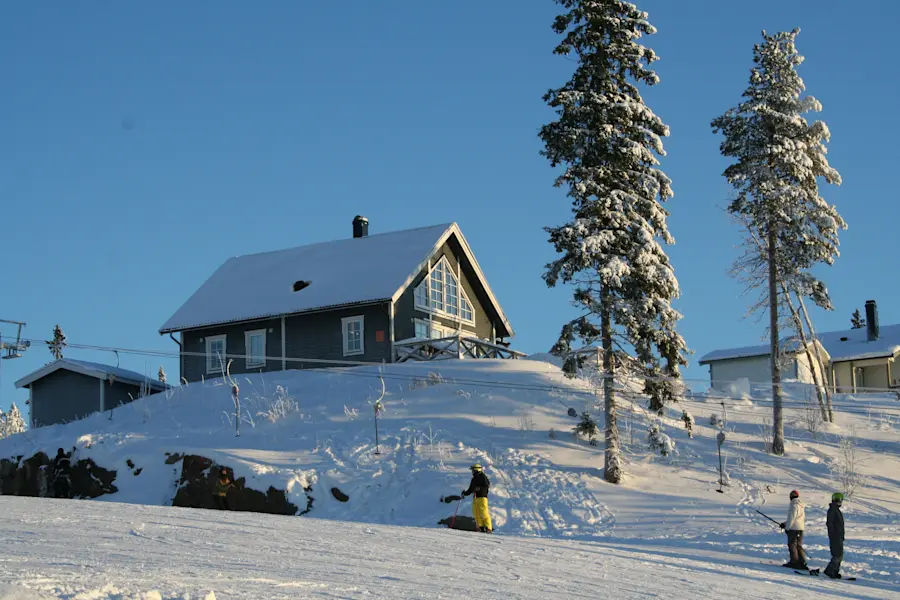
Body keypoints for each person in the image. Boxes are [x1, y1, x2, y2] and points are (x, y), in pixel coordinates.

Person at [779, 489, 807, 569]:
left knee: (792, 545)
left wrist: (787, 528)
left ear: (791, 497)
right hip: (800, 528)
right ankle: (802, 561)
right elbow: (796, 518)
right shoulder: (801, 505)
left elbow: (792, 518)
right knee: (798, 545)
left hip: (794, 529)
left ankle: (794, 562)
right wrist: (785, 524)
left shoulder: (794, 505)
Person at [461, 463, 492, 533]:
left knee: (484, 513)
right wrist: (465, 493)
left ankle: (488, 528)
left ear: (477, 470)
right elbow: (471, 489)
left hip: (482, 497)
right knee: (476, 513)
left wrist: (479, 488)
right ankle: (480, 527)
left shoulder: (482, 476)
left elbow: (487, 485)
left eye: (473, 470)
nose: (472, 472)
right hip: (475, 498)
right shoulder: (473, 479)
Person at [824, 492, 845, 579]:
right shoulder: (833, 510)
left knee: (839, 554)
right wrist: (833, 534)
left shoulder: (835, 509)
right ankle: (830, 571)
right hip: (835, 536)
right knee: (837, 555)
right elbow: (830, 523)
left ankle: (835, 571)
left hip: (838, 536)